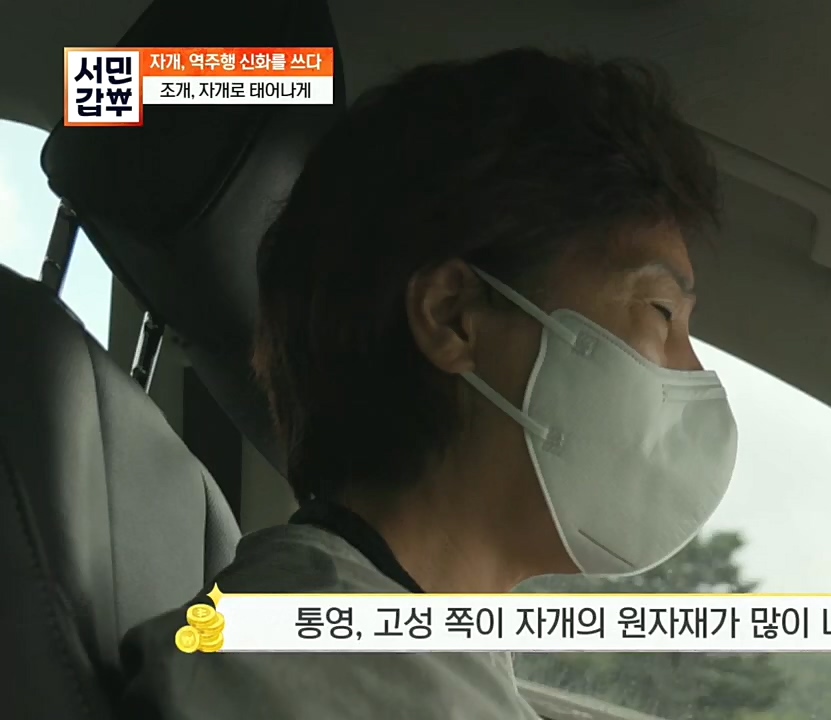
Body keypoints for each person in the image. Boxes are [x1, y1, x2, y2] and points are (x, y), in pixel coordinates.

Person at [116, 47, 739, 719]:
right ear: (454, 318)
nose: (692, 374)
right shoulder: (321, 677)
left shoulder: (399, 654)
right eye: (660, 313)